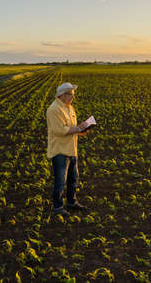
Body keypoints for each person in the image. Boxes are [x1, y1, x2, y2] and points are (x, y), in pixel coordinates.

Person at [46, 82, 90, 216]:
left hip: (72, 149)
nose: (73, 97)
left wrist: (81, 130)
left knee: (73, 179)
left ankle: (72, 202)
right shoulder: (53, 110)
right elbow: (60, 130)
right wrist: (78, 128)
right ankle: (58, 207)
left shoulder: (69, 108)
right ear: (62, 95)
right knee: (60, 181)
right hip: (60, 151)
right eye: (71, 94)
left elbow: (71, 127)